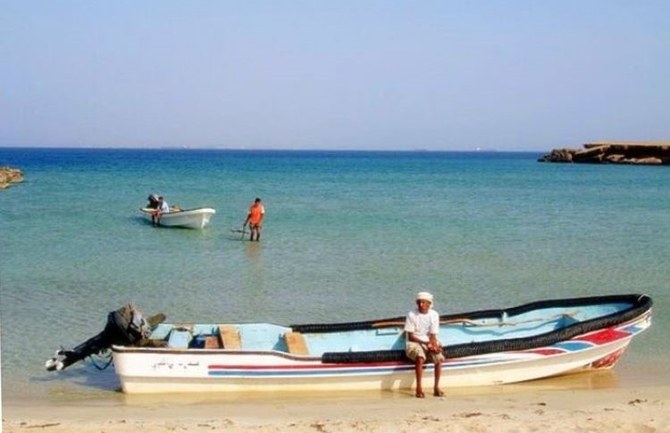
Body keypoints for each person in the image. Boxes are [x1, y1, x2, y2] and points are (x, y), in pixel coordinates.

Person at [404, 291, 445, 398]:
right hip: (414, 342)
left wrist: (434, 345)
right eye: (419, 302)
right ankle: (419, 388)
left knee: (439, 358)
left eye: (423, 302)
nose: (421, 305)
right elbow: (410, 336)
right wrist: (425, 343)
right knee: (420, 357)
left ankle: (436, 387)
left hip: (427, 341)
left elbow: (433, 334)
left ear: (429, 304)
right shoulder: (411, 314)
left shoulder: (434, 315)